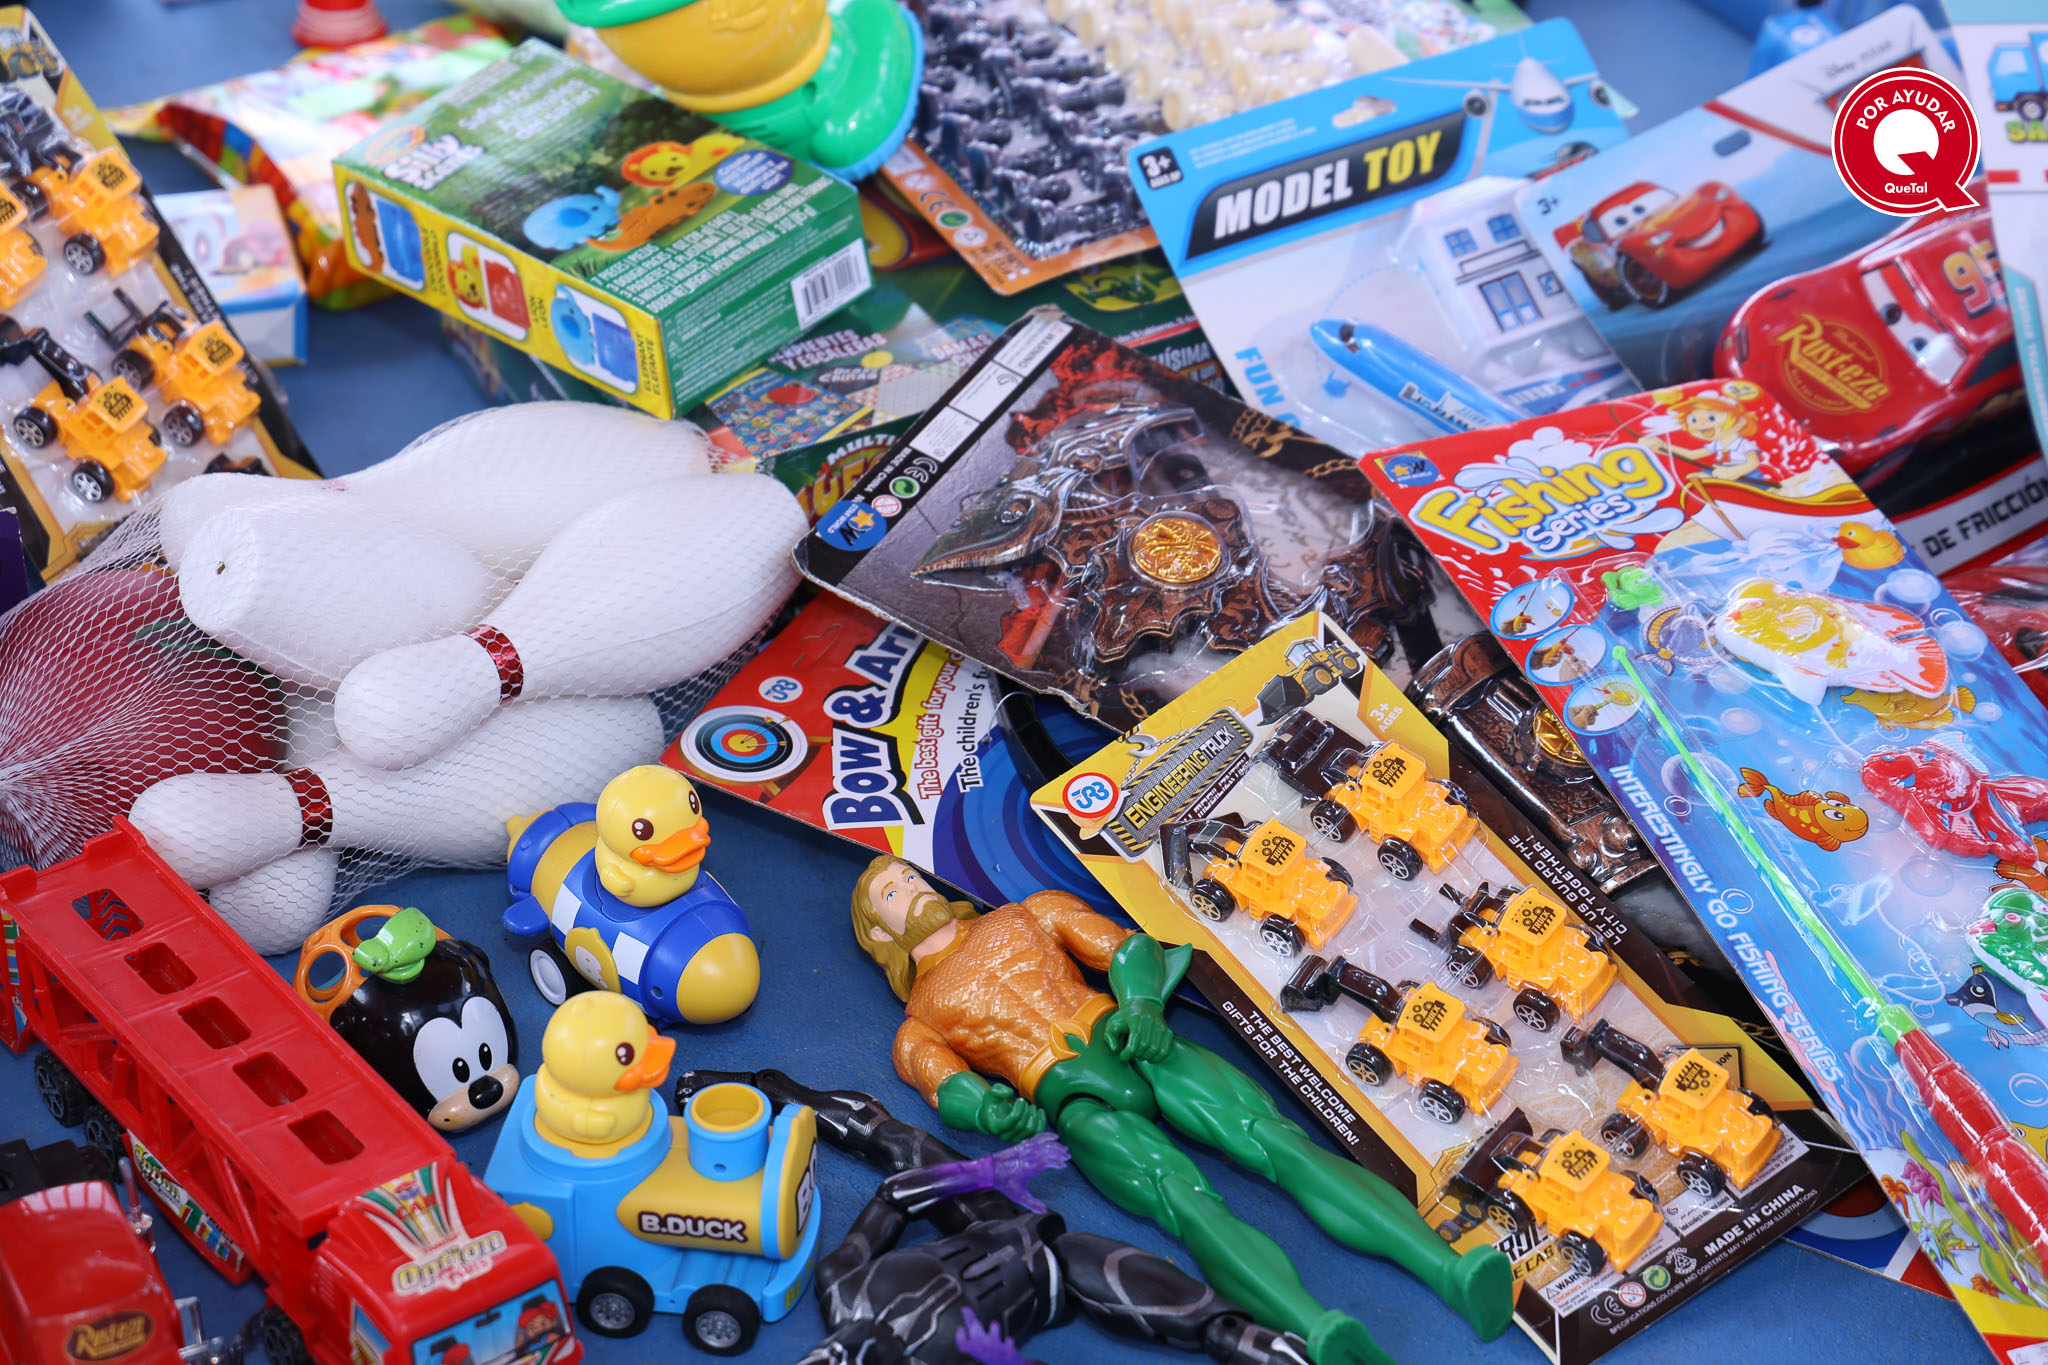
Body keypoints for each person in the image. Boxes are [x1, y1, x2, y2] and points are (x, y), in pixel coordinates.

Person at [848, 857, 1514, 1365]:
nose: (911, 888)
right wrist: (992, 1109)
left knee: (1277, 1141)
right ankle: (1318, 1332)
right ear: (879, 930)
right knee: (1186, 1203)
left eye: (908, 876)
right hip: (1069, 1096)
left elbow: (1128, 948)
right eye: (892, 893)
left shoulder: (1026, 914)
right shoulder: (917, 1022)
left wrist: (1140, 1004)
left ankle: (1451, 1271)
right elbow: (946, 1085)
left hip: (1131, 1035)